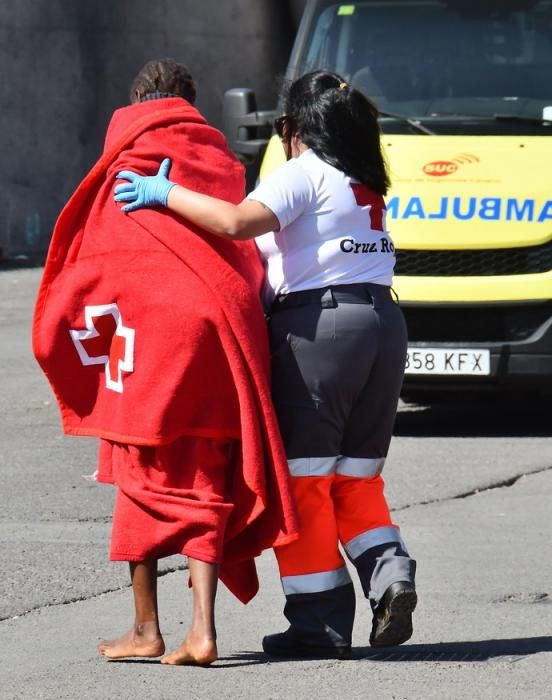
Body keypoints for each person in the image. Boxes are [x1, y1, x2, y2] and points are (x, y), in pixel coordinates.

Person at [113, 70, 417, 659]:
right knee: (356, 477)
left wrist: (162, 194)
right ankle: (390, 574)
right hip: (384, 325)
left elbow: (235, 223)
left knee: (305, 482)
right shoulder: (365, 182)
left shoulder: (303, 173)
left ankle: (319, 625)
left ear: (296, 129)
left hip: (320, 332)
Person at [32, 59, 298, 666]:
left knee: (138, 469)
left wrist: (60, 328)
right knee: (203, 472)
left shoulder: (124, 160)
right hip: (222, 331)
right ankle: (202, 628)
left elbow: (100, 261)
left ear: (136, 104)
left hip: (151, 335)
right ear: (191, 103)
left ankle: (146, 628)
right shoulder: (223, 161)